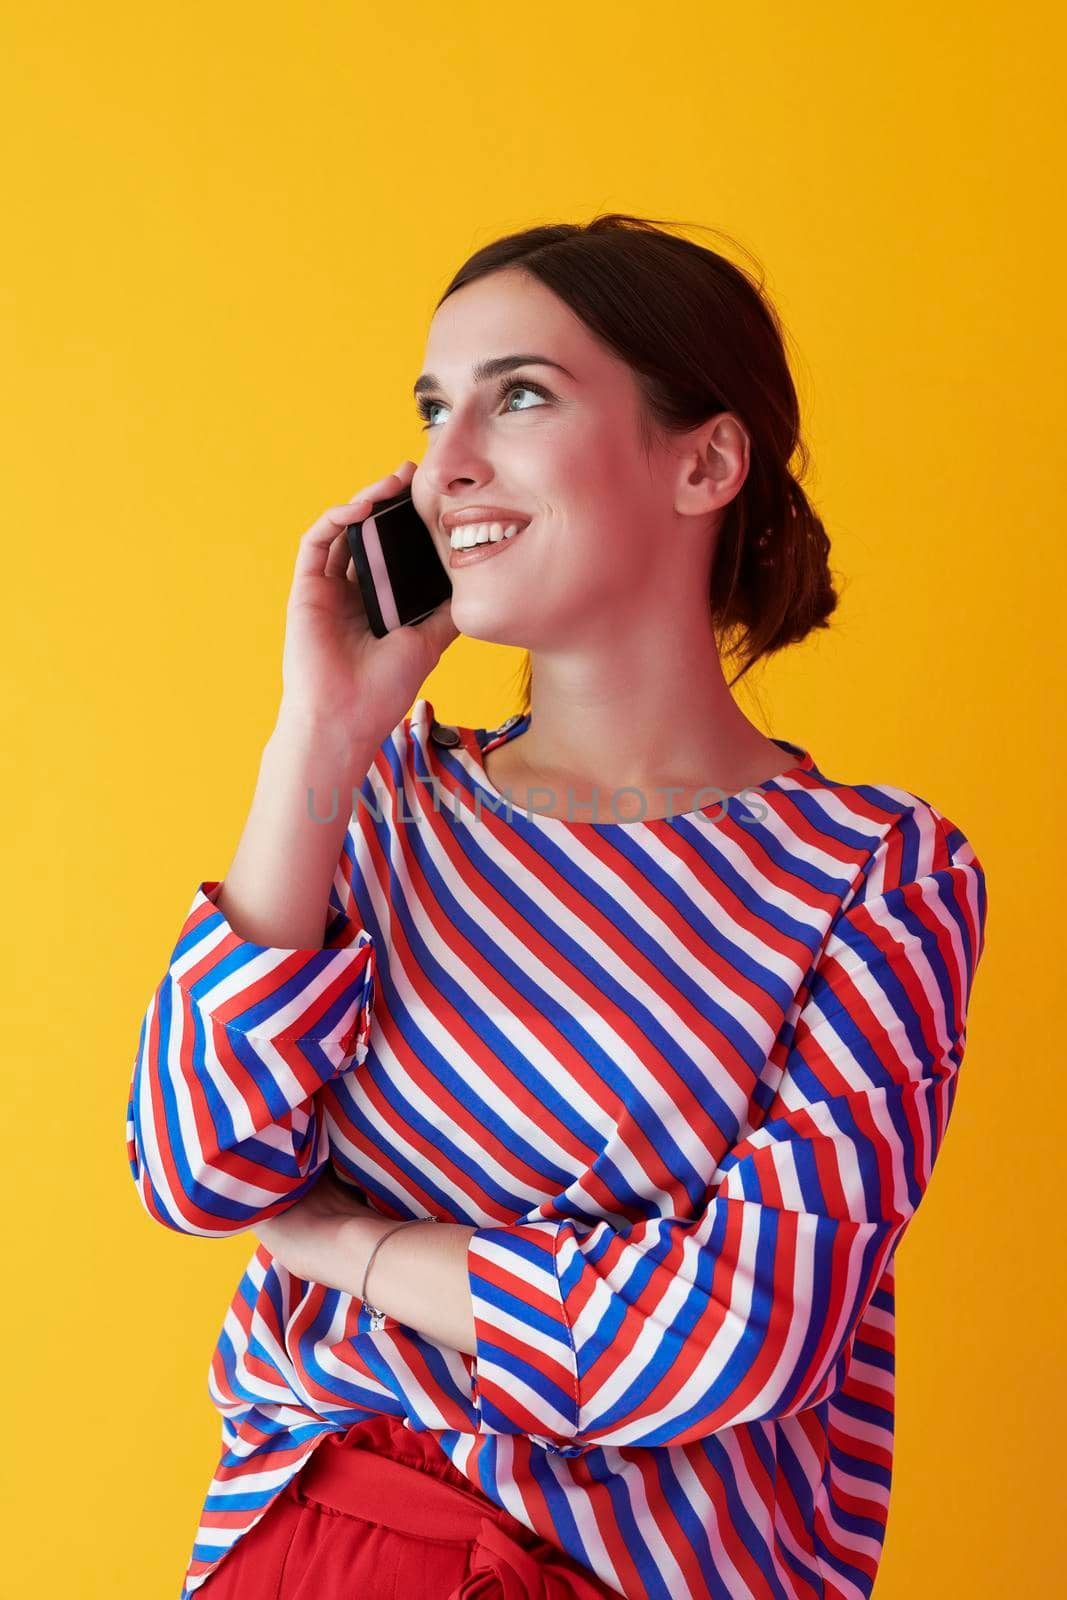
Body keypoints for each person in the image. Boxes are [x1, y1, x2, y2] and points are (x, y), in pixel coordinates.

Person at [125, 213, 989, 1600]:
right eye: (432, 407)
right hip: (331, 1552)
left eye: (517, 395)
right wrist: (320, 735)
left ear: (705, 460)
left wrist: (343, 1241)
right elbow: (196, 1167)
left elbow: (739, 1332)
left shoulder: (878, 873)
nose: (442, 462)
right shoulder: (384, 801)